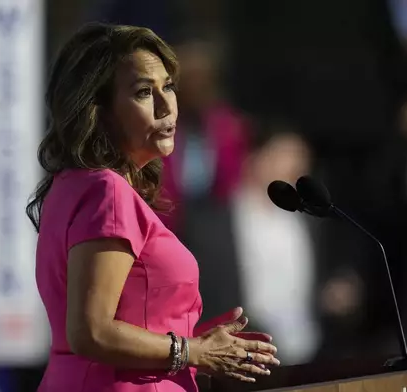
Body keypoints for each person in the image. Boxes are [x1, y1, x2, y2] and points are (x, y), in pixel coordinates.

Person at [26, 23, 279, 392]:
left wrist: (199, 347)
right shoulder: (106, 191)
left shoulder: (74, 184)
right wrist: (192, 351)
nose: (166, 106)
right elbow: (90, 331)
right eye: (144, 92)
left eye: (169, 87)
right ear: (100, 108)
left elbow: (120, 316)